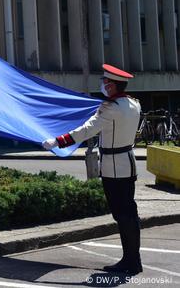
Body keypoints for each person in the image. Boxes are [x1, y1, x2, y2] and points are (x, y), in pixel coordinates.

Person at [42, 64, 142, 275]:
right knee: (129, 213)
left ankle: (130, 262)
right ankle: (133, 259)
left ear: (115, 86)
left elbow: (87, 129)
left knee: (123, 215)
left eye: (107, 83)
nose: (104, 85)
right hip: (128, 163)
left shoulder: (111, 108)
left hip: (114, 167)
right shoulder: (134, 104)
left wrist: (58, 141)